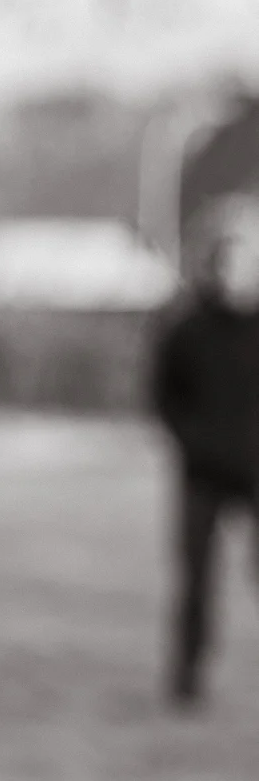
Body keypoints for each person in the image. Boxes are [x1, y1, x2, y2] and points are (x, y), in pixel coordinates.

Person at [151, 193, 259, 709]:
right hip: (202, 473)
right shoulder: (188, 329)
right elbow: (163, 396)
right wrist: (193, 440)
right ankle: (186, 681)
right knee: (196, 581)